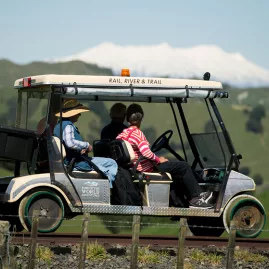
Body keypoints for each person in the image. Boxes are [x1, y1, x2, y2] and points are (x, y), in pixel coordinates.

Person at [116, 103, 214, 208]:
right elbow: (146, 152)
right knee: (184, 167)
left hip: (133, 167)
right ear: (141, 118)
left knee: (175, 168)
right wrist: (158, 159)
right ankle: (196, 198)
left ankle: (181, 199)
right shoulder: (138, 134)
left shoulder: (122, 134)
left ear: (127, 118)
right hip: (145, 168)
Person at [53, 99, 118, 188]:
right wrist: (87, 145)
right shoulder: (68, 125)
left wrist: (80, 150)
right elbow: (70, 143)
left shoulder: (59, 125)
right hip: (76, 163)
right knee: (111, 163)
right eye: (78, 112)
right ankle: (111, 191)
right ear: (72, 114)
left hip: (73, 160)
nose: (79, 114)